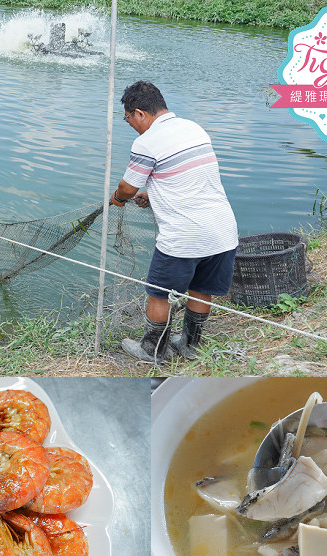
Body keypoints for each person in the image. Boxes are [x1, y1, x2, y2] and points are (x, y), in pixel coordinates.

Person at [110, 81, 239, 364]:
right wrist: (152, 193)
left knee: (158, 295)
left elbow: (128, 187)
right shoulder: (194, 128)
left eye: (128, 118)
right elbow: (184, 178)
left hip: (184, 237)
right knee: (201, 288)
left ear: (140, 113)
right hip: (223, 231)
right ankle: (190, 346)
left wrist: (118, 198)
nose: (129, 124)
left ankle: (152, 351)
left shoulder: (146, 142)